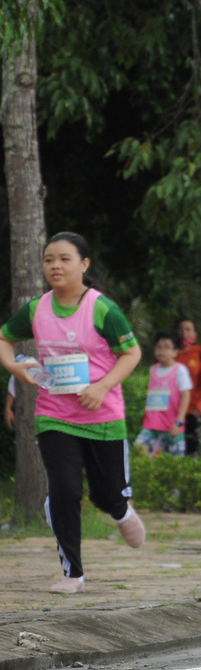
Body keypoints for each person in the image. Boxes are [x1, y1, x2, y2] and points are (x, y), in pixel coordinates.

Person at [0, 232, 147, 593]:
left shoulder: (102, 309)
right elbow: (4, 339)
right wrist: (15, 367)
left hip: (102, 417)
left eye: (64, 259)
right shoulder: (36, 309)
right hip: (54, 416)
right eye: (49, 259)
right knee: (64, 491)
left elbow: (132, 353)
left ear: (84, 265)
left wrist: (102, 387)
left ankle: (120, 510)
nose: (55, 266)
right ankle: (73, 574)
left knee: (106, 494)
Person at [134, 331, 192, 457]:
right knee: (140, 448)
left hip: (172, 426)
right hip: (152, 424)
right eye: (159, 347)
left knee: (173, 462)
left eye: (167, 348)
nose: (162, 351)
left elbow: (185, 396)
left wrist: (179, 422)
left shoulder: (180, 371)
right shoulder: (153, 369)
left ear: (175, 352)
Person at [175, 318, 201, 456]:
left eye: (188, 329)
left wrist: (200, 408)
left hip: (192, 411)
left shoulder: (200, 356)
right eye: (181, 329)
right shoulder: (172, 354)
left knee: (190, 449)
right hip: (173, 411)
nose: (184, 333)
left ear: (195, 334)